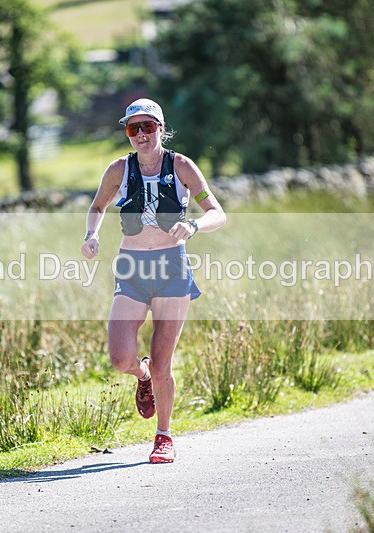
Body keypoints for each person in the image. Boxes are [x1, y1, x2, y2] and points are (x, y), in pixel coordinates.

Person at [81, 98, 226, 463]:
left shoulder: (181, 166)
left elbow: (217, 213)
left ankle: (163, 436)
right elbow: (97, 207)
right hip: (132, 269)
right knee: (120, 358)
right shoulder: (118, 169)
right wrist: (91, 235)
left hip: (171, 269)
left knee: (164, 364)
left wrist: (193, 225)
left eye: (148, 126)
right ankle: (141, 374)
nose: (141, 134)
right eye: (134, 128)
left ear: (161, 128)